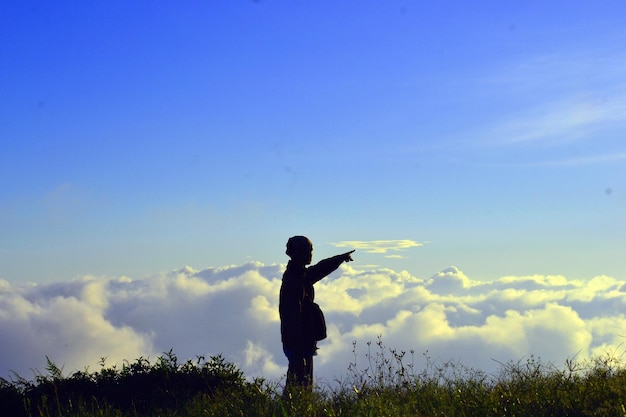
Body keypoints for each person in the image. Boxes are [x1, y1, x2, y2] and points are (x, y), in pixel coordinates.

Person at [279, 236, 354, 393]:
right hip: (299, 346)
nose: (311, 253)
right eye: (308, 250)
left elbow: (319, 269)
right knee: (298, 390)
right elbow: (291, 319)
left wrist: (339, 259)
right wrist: (298, 355)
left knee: (301, 388)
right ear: (299, 253)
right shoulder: (294, 280)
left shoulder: (299, 275)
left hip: (302, 344)